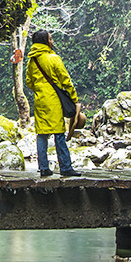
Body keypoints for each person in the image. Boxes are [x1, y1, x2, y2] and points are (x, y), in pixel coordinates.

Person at [24, 30, 81, 177]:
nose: (52, 41)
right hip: (54, 101)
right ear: (45, 41)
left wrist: (40, 89)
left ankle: (44, 168)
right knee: (59, 134)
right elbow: (66, 80)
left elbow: (29, 82)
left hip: (40, 101)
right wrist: (74, 98)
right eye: (50, 38)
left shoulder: (32, 61)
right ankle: (66, 167)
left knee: (42, 135)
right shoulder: (53, 58)